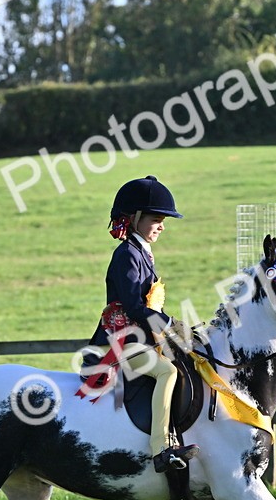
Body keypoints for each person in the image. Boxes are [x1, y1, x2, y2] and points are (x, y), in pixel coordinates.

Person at [83, 175, 198, 473]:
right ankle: (160, 449)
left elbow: (149, 304)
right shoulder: (126, 255)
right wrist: (171, 323)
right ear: (134, 219)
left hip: (139, 335)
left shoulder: (142, 253)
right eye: (156, 219)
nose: (162, 226)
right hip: (121, 339)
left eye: (164, 221)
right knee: (166, 372)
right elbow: (135, 306)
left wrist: (177, 329)